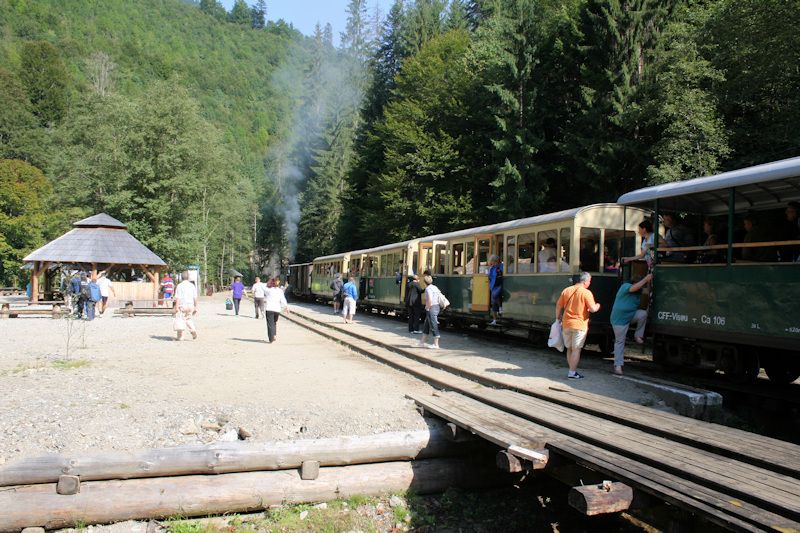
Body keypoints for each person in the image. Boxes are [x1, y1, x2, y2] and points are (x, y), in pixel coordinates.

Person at [555, 272, 601, 379]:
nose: (589, 283)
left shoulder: (567, 290)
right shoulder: (586, 293)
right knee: (576, 349)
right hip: (579, 325)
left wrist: (558, 318)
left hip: (566, 323)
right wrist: (598, 305)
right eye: (589, 281)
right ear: (585, 282)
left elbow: (558, 305)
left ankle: (571, 371)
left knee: (569, 349)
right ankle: (572, 372)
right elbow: (593, 309)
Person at [609, 273, 652, 375]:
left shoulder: (639, 290)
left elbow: (647, 291)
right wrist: (646, 279)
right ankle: (618, 366)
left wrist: (649, 282)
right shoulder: (626, 286)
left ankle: (638, 335)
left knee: (643, 314)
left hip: (630, 316)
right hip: (619, 320)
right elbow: (633, 288)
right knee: (620, 342)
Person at [417, 274, 443, 349]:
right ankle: (422, 342)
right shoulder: (435, 287)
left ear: (424, 282)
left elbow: (430, 300)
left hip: (431, 307)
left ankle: (436, 344)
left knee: (433, 324)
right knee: (426, 324)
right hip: (436, 306)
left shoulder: (428, 289)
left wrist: (427, 307)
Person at [174, 271, 198, 341]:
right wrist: (196, 307)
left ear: (181, 277)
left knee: (180, 320)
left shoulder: (179, 286)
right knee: (188, 319)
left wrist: (176, 307)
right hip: (190, 305)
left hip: (182, 305)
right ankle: (193, 329)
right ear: (188, 277)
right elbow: (195, 297)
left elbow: (178, 298)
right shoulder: (192, 285)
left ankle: (180, 337)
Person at [264, 278, 288, 343]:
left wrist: (269, 282)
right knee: (274, 323)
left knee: (270, 324)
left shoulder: (268, 290)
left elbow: (265, 286)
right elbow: (283, 299)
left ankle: (271, 338)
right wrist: (286, 307)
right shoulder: (280, 291)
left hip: (269, 309)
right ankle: (274, 335)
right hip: (277, 309)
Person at [488, 255, 503, 326]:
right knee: (493, 302)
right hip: (493, 286)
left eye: (493, 262)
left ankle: (500, 308)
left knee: (495, 296)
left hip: (499, 285)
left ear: (496, 261)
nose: (492, 263)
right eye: (491, 262)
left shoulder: (501, 266)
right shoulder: (492, 268)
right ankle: (494, 320)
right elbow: (490, 276)